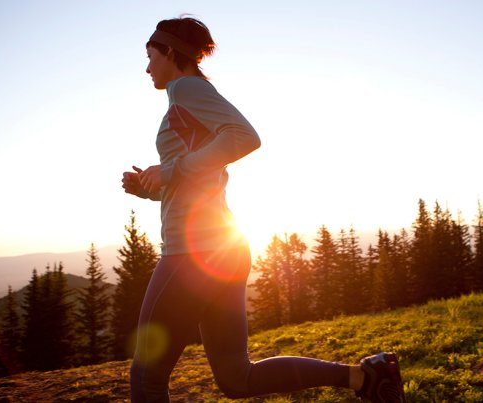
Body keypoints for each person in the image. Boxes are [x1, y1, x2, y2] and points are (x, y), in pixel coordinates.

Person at [121, 16, 405, 403]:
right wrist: (152, 188)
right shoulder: (190, 95)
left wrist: (168, 169)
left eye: (150, 54)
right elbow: (203, 174)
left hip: (193, 252)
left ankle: (367, 377)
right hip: (222, 248)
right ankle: (366, 378)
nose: (147, 66)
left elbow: (245, 137)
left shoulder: (185, 88)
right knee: (237, 378)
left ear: (170, 51)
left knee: (146, 376)